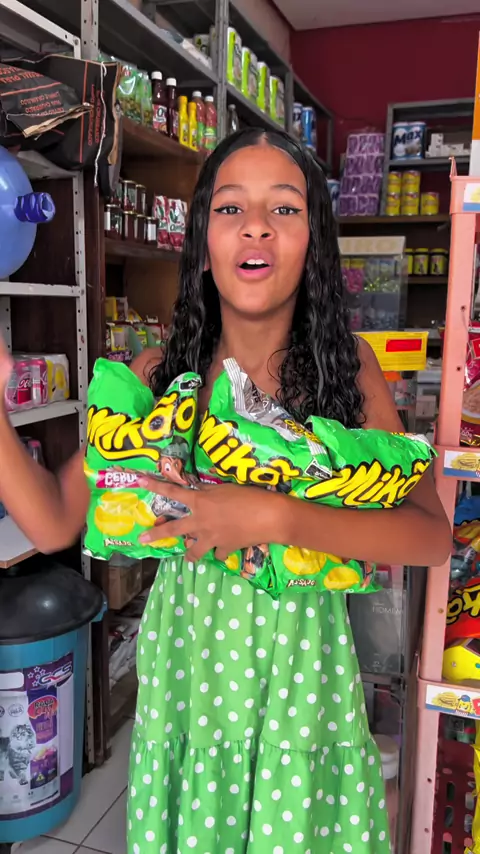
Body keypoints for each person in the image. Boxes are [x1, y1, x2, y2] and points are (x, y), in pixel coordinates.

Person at [0, 128, 450, 852]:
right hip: (191, 695)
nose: (256, 226)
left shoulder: (345, 371)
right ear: (203, 242)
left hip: (303, 692)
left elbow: (429, 535)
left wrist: (274, 515)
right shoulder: (157, 375)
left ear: (314, 241)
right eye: (231, 207)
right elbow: (54, 521)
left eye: (285, 208)